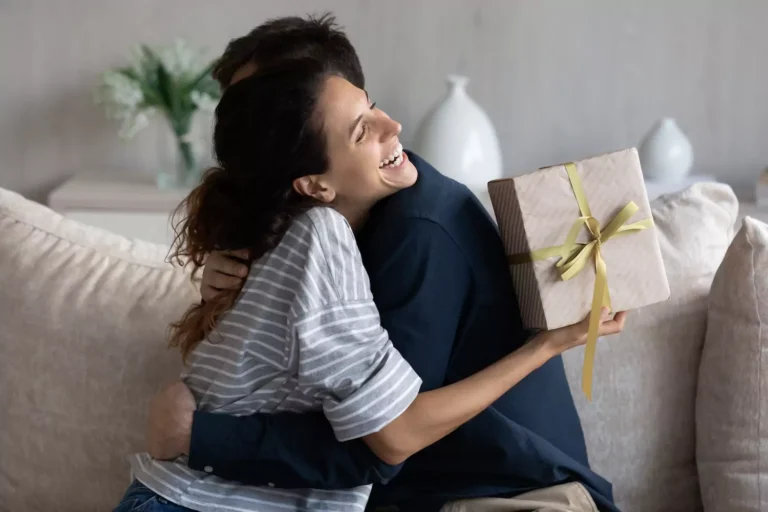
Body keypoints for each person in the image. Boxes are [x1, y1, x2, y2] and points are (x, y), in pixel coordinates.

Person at [143, 15, 624, 512]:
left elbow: (380, 445)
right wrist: (225, 292)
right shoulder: (319, 229)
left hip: (513, 497)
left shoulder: (416, 231)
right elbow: (263, 382)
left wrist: (198, 437)